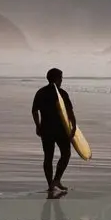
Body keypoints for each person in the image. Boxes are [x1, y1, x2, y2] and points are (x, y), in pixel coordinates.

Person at [31, 68, 75, 196]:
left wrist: (38, 125)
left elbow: (34, 111)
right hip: (61, 130)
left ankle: (51, 183)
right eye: (61, 78)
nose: (61, 80)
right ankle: (56, 180)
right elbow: (70, 112)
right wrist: (74, 127)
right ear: (56, 79)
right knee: (66, 154)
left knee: (48, 157)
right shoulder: (62, 93)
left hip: (46, 129)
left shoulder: (40, 92)